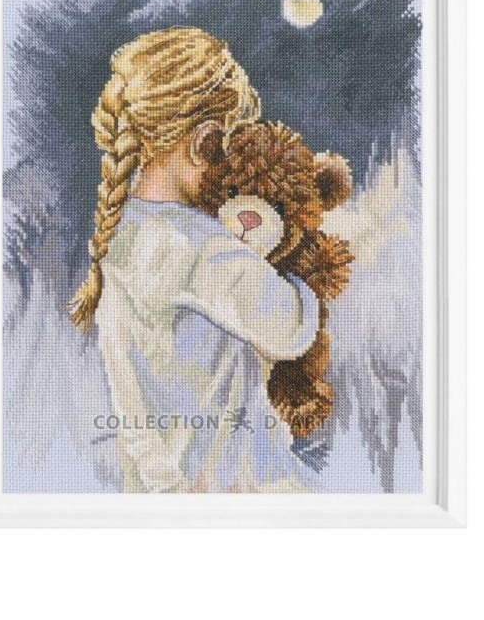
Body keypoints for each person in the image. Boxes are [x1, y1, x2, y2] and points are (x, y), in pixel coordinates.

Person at [70, 27, 319, 492]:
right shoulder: (204, 247)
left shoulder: (114, 239)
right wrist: (304, 278)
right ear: (206, 143)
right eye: (233, 147)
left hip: (158, 487)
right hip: (237, 486)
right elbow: (290, 328)